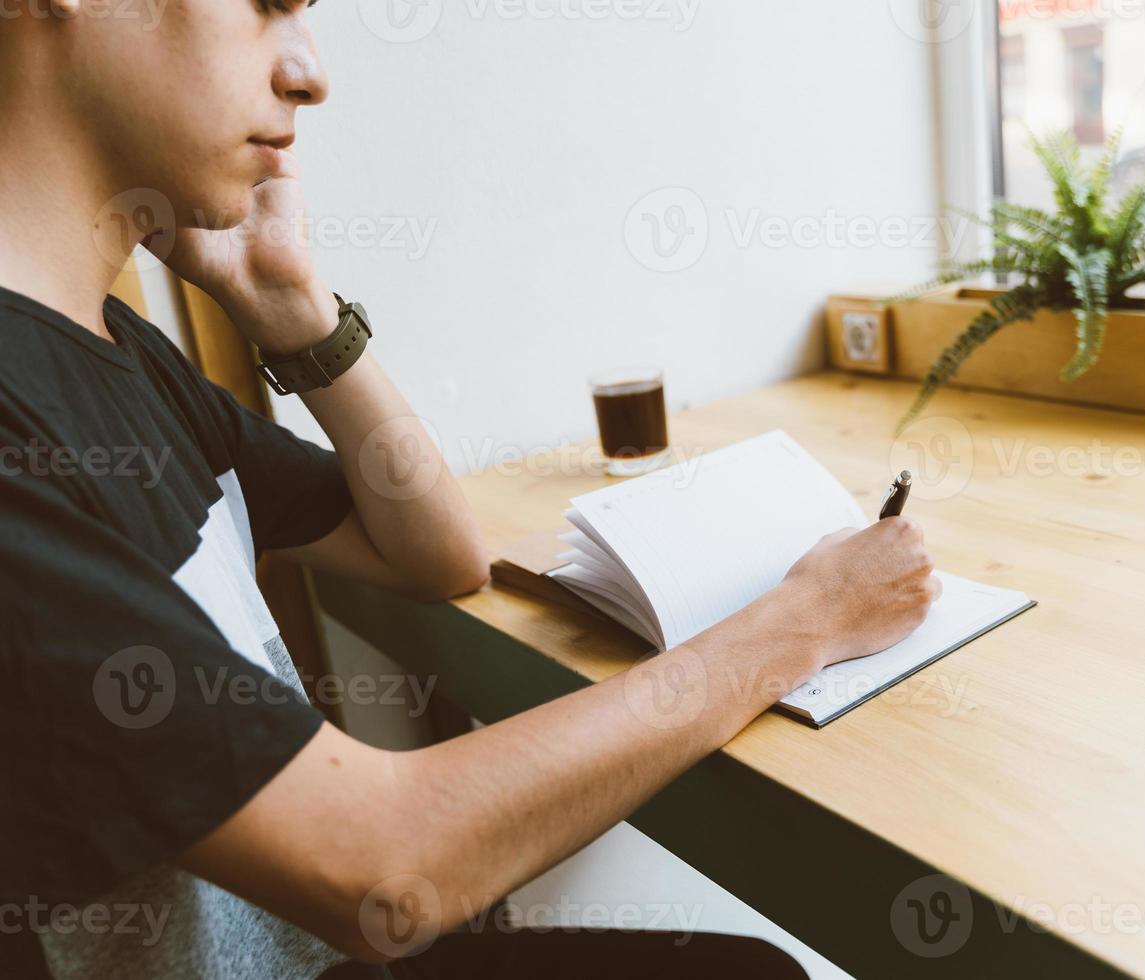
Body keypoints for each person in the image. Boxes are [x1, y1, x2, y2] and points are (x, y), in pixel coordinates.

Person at [0, 4, 941, 978]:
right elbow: (386, 873)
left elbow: (434, 550)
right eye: (268, 3)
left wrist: (293, 310)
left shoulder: (118, 347)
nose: (311, 74)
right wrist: (803, 622)